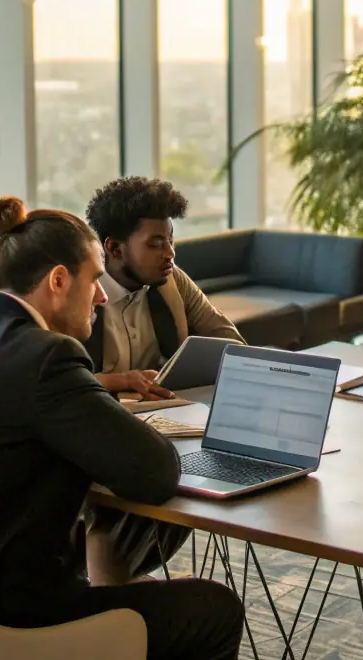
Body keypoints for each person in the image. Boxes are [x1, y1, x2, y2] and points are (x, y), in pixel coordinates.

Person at [0, 197, 243, 660]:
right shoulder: (45, 357)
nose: (102, 296)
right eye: (95, 279)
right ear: (59, 281)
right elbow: (155, 471)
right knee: (212, 608)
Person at [81, 176, 246, 585]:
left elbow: (230, 343)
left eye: (170, 240)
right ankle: (104, 586)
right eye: (155, 243)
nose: (169, 253)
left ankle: (118, 583)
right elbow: (51, 382)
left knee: (196, 483)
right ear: (113, 248)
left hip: (167, 435)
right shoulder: (79, 294)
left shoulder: (172, 282)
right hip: (95, 444)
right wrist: (119, 380)